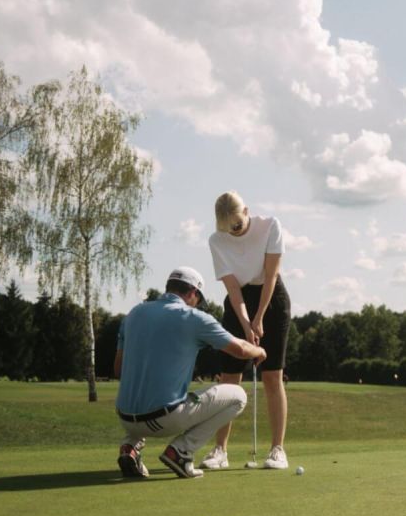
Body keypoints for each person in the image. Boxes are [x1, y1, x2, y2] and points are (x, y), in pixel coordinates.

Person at [114, 266, 266, 479]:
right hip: (165, 420)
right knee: (237, 396)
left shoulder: (133, 314)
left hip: (126, 419)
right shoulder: (195, 318)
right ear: (193, 293)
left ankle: (129, 446)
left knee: (146, 392)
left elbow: (119, 370)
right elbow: (240, 350)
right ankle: (181, 451)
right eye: (198, 298)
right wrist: (259, 350)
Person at [199, 191, 291, 470]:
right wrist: (245, 322)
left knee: (272, 377)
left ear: (247, 212)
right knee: (229, 378)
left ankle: (277, 450)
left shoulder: (270, 226)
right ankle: (220, 451)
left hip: (271, 300)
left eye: (237, 225)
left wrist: (259, 317)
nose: (234, 232)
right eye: (228, 228)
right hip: (238, 305)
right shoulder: (216, 240)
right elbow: (233, 289)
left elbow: (271, 276)